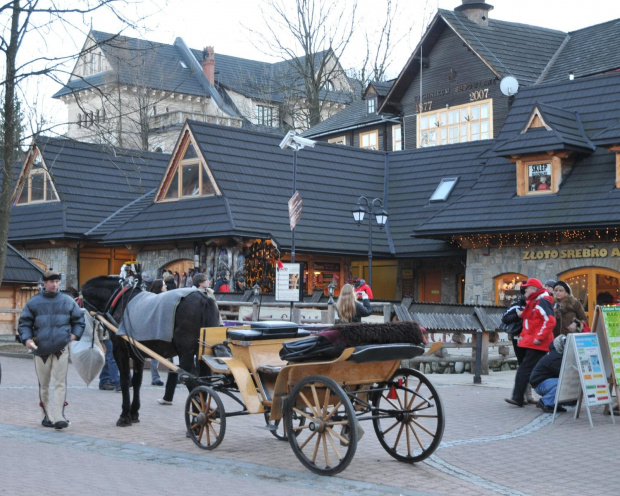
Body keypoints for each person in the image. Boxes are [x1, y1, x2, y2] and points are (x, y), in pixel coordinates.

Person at [18, 269, 85, 429]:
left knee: (60, 383)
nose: (55, 285)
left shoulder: (68, 301)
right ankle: (45, 415)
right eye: (51, 282)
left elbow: (79, 320)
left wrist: (74, 335)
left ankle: (59, 417)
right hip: (40, 349)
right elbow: (24, 323)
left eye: (57, 282)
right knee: (44, 384)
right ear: (45, 283)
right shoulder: (33, 302)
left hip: (61, 347)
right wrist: (26, 339)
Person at [505, 278, 556, 408]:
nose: (525, 290)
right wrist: (523, 336)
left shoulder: (541, 302)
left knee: (525, 370)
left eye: (527, 288)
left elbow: (550, 321)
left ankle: (519, 397)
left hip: (538, 343)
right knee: (531, 370)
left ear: (534, 289)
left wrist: (539, 338)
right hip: (533, 342)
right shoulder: (535, 302)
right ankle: (525, 397)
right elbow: (529, 323)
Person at [501, 288, 536, 404]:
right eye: (529, 290)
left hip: (532, 339)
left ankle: (528, 395)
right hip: (519, 339)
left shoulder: (538, 303)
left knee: (530, 367)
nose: (531, 292)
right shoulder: (517, 304)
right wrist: (518, 315)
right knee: (523, 365)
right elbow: (505, 318)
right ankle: (525, 395)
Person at [530, 334, 571, 413]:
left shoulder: (558, 353)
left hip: (545, 381)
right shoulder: (555, 357)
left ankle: (555, 404)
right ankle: (545, 402)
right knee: (564, 382)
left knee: (566, 381)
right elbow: (564, 373)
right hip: (539, 384)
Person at [147, 279, 167, 386]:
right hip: (154, 329)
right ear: (160, 287)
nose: (166, 286)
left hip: (161, 328)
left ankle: (156, 377)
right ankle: (155, 377)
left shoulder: (165, 297)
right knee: (155, 354)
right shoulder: (154, 298)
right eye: (164, 285)